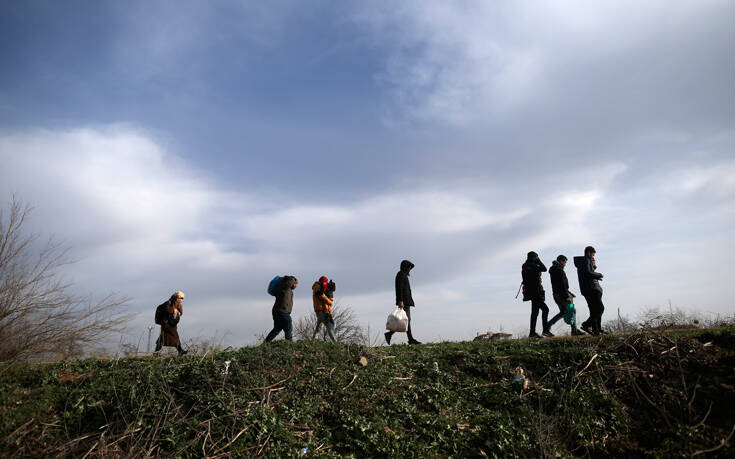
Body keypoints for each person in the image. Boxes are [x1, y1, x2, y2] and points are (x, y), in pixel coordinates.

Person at [385, 260, 421, 345]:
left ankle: (390, 334)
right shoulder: (400, 275)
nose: (409, 269)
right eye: (409, 267)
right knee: (406, 320)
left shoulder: (403, 275)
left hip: (406, 301)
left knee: (405, 320)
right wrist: (400, 300)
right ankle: (410, 339)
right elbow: (399, 288)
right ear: (405, 267)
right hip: (403, 301)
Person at [547, 255, 585, 336]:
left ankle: (548, 325)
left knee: (563, 312)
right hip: (562, 295)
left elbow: (558, 284)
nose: (565, 264)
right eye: (565, 262)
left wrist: (569, 292)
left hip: (556, 294)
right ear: (561, 261)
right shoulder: (559, 270)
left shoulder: (554, 269)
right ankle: (574, 330)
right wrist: (566, 296)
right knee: (571, 310)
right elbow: (562, 284)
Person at [574, 246, 605, 335]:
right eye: (593, 254)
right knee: (600, 308)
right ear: (589, 253)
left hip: (587, 289)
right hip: (591, 289)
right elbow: (587, 273)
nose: (593, 256)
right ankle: (586, 324)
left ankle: (596, 330)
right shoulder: (585, 260)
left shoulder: (583, 262)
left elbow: (587, 273)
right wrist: (599, 275)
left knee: (593, 310)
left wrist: (593, 267)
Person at [522, 251, 553, 338]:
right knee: (544, 310)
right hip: (536, 292)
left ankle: (534, 332)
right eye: (536, 257)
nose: (537, 259)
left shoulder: (525, 266)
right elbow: (544, 269)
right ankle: (543, 331)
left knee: (536, 312)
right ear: (534, 257)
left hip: (531, 292)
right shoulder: (532, 265)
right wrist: (539, 261)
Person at [264, 276, 298, 342]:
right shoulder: (285, 287)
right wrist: (289, 278)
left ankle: (266, 342)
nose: (296, 285)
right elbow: (289, 281)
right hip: (281, 311)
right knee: (288, 324)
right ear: (292, 282)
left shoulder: (285, 289)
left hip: (278, 311)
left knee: (277, 328)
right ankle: (289, 342)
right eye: (296, 283)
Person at [154, 291, 188, 356]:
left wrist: (177, 310)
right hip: (166, 324)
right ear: (176, 297)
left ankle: (156, 352)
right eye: (180, 298)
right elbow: (169, 311)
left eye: (182, 298)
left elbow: (181, 313)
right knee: (174, 336)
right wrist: (174, 310)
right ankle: (180, 350)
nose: (181, 300)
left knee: (163, 338)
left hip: (171, 324)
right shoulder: (168, 303)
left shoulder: (177, 304)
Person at [311, 276, 337, 342]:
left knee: (319, 327)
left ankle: (313, 341)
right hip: (321, 310)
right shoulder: (318, 288)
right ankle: (335, 342)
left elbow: (329, 299)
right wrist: (330, 302)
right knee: (329, 325)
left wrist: (330, 291)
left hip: (323, 310)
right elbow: (324, 298)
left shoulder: (322, 289)